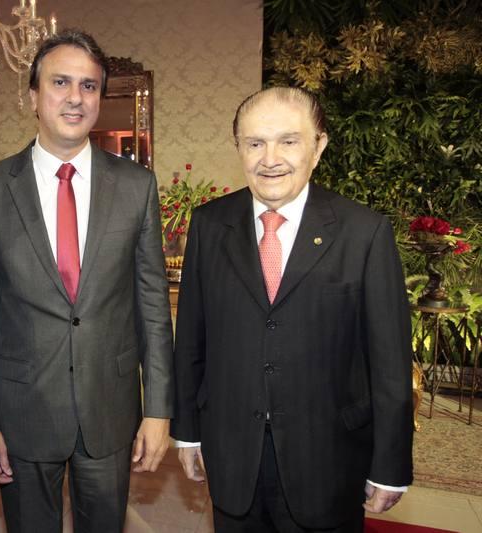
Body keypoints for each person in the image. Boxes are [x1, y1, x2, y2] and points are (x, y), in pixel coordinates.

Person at [172, 87, 413, 532]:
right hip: (232, 454)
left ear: (318, 147)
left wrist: (391, 464)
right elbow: (191, 340)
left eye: (288, 141)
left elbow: (390, 362)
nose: (270, 159)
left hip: (328, 458)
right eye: (255, 143)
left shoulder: (364, 232)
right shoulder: (209, 224)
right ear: (238, 148)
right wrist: (186, 431)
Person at [0, 29, 174, 533]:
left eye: (89, 86)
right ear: (33, 97)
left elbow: (152, 305)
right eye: (60, 82)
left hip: (110, 409)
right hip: (21, 414)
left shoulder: (136, 186)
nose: (75, 97)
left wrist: (159, 410)